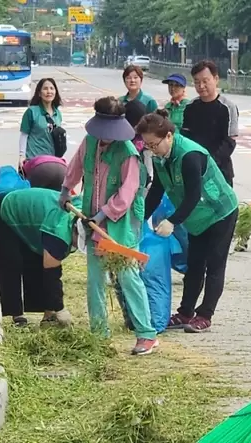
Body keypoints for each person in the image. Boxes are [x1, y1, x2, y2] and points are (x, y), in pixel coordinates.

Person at [59, 96, 157, 356]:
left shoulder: (128, 153)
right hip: (92, 221)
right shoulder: (90, 142)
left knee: (127, 277)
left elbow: (127, 193)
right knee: (95, 280)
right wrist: (66, 189)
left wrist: (103, 214)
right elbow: (77, 166)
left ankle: (146, 334)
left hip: (121, 225)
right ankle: (99, 336)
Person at [138, 110, 238, 333]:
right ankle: (185, 312)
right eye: (148, 145)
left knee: (214, 264)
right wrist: (140, 219)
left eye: (155, 144)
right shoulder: (161, 157)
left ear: (169, 136)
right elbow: (157, 189)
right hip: (196, 217)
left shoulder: (189, 155)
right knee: (194, 265)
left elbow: (193, 194)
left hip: (219, 212)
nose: (152, 149)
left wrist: (172, 221)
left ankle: (205, 315)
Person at [0, 187, 80, 327]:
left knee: (35, 261)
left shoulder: (80, 214)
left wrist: (53, 309)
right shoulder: (58, 232)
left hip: (35, 218)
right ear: (74, 233)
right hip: (7, 209)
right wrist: (60, 308)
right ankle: (15, 314)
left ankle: (48, 316)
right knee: (11, 262)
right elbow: (52, 274)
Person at [181, 60, 239, 187]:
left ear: (216, 79)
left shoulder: (228, 107)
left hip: (220, 172)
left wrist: (209, 164)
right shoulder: (190, 107)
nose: (201, 86)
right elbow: (185, 139)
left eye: (205, 81)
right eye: (197, 82)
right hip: (194, 170)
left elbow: (230, 141)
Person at [19, 78, 64, 172]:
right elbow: (24, 135)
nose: (49, 91)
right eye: (45, 88)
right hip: (34, 162)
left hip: (52, 162)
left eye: (52, 88)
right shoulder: (31, 112)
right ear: (39, 93)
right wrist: (21, 156)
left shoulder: (58, 114)